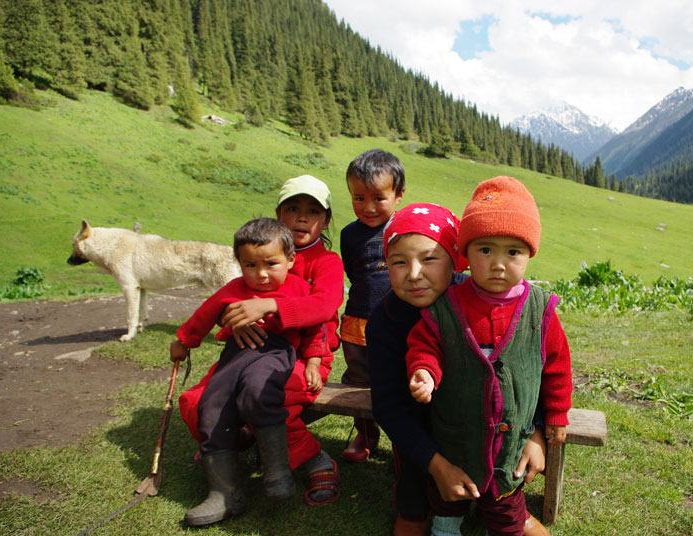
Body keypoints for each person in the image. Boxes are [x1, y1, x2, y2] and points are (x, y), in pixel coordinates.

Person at [368, 202, 552, 536]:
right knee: (413, 512)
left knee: (502, 475)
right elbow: (389, 405)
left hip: (484, 425)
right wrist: (435, 465)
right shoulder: (384, 320)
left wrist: (536, 432)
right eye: (398, 262)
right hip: (417, 430)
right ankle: (420, 508)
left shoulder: (481, 298)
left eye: (428, 259)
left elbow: (526, 370)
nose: (413, 273)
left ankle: (510, 509)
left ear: (455, 260)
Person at [405, 177, 573, 536]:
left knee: (506, 506)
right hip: (455, 438)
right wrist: (424, 371)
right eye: (485, 250)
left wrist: (556, 415)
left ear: (529, 254)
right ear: (467, 253)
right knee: (446, 503)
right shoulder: (447, 305)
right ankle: (446, 528)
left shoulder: (540, 310)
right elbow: (426, 344)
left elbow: (557, 366)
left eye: (513, 252)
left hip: (510, 445)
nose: (498, 263)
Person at [179, 175, 344, 507]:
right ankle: (233, 443)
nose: (302, 217)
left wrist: (270, 305)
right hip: (249, 349)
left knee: (269, 399)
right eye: (293, 208)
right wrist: (233, 322)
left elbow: (324, 306)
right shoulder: (260, 252)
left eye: (313, 211)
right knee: (198, 402)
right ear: (278, 215)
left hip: (308, 352)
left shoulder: (327, 262)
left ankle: (315, 460)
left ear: (325, 220)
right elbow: (231, 301)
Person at [339, 148, 405, 462]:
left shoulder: (405, 230)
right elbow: (353, 272)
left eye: (378, 198)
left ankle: (405, 438)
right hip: (356, 321)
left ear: (399, 194)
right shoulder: (348, 235)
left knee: (399, 379)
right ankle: (366, 432)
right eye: (358, 198)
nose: (367, 207)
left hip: (398, 322)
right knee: (358, 380)